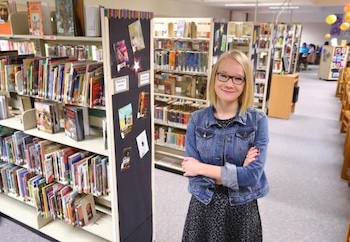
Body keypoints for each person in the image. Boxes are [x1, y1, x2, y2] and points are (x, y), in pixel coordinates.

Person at [181, 49, 269, 242]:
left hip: (241, 210)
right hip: (203, 207)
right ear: (214, 77)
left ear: (246, 84)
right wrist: (238, 173)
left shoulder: (257, 121)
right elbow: (193, 176)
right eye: (223, 75)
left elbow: (252, 176)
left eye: (238, 78)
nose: (229, 83)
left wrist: (201, 168)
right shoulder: (197, 120)